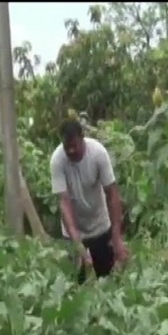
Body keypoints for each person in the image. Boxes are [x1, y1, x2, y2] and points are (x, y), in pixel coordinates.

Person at [50, 119, 129, 284]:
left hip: (99, 225)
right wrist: (77, 242)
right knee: (73, 284)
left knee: (108, 281)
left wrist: (116, 237)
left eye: (74, 146)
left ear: (82, 138)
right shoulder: (57, 160)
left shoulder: (98, 153)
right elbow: (64, 202)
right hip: (72, 231)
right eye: (67, 147)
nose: (71, 151)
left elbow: (112, 194)